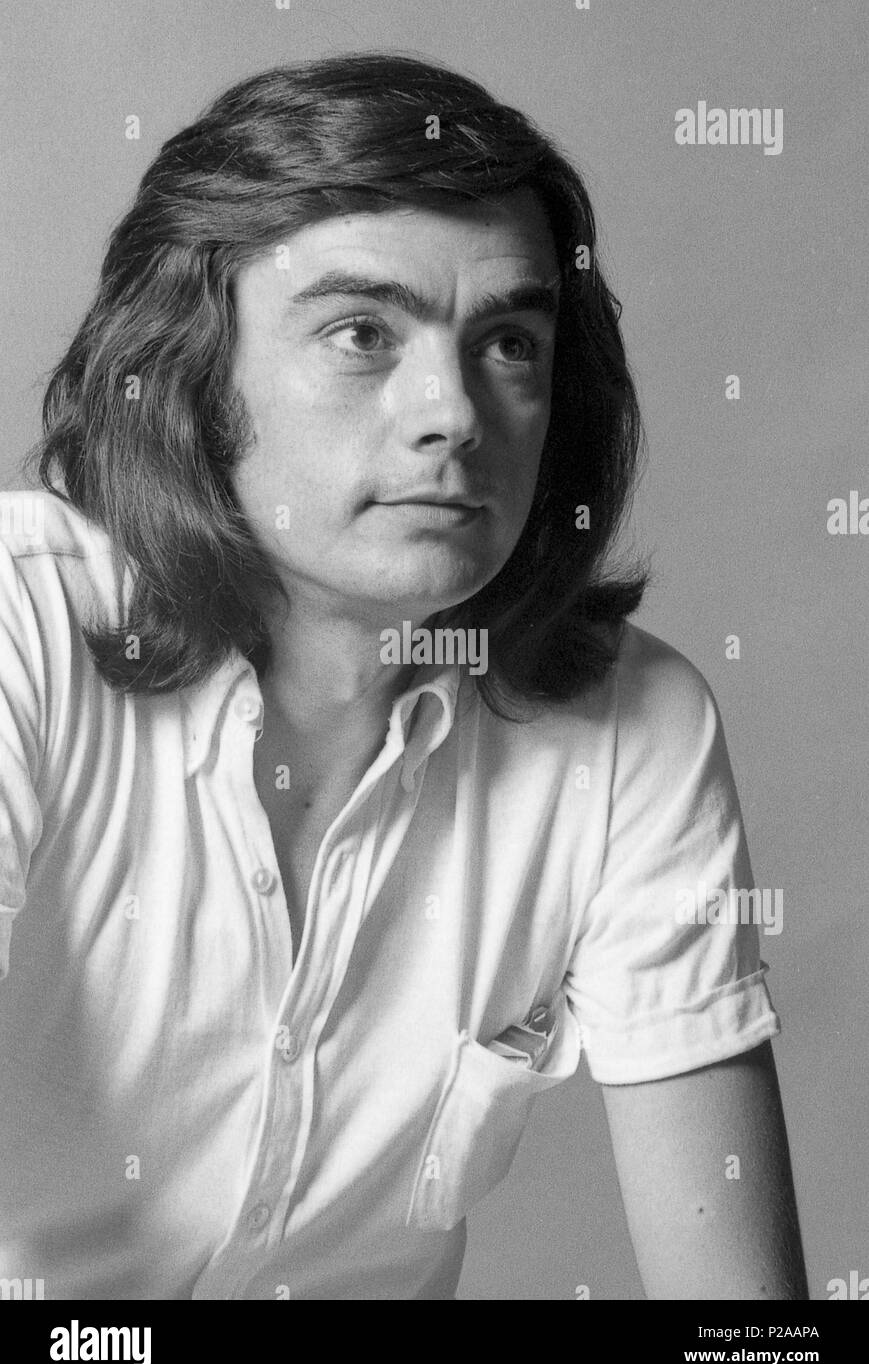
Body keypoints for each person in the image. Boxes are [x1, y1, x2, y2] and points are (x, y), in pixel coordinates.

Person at [0, 52, 807, 1300]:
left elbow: (740, 1322)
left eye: (507, 343)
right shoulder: (24, 623)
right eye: (361, 334)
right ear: (192, 371)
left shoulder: (632, 727)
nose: (454, 414)